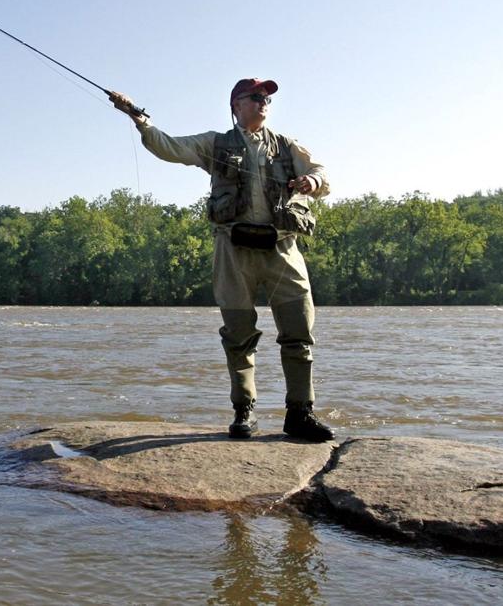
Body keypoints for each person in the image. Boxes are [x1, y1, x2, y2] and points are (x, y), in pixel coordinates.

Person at [109, 79, 335, 442]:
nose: (264, 102)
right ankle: (244, 411)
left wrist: (310, 181)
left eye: (267, 98)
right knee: (238, 336)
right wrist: (139, 119)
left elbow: (323, 175)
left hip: (282, 250)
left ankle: (300, 413)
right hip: (234, 250)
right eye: (256, 97)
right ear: (236, 104)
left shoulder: (287, 145)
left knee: (299, 333)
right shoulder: (214, 143)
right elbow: (169, 147)